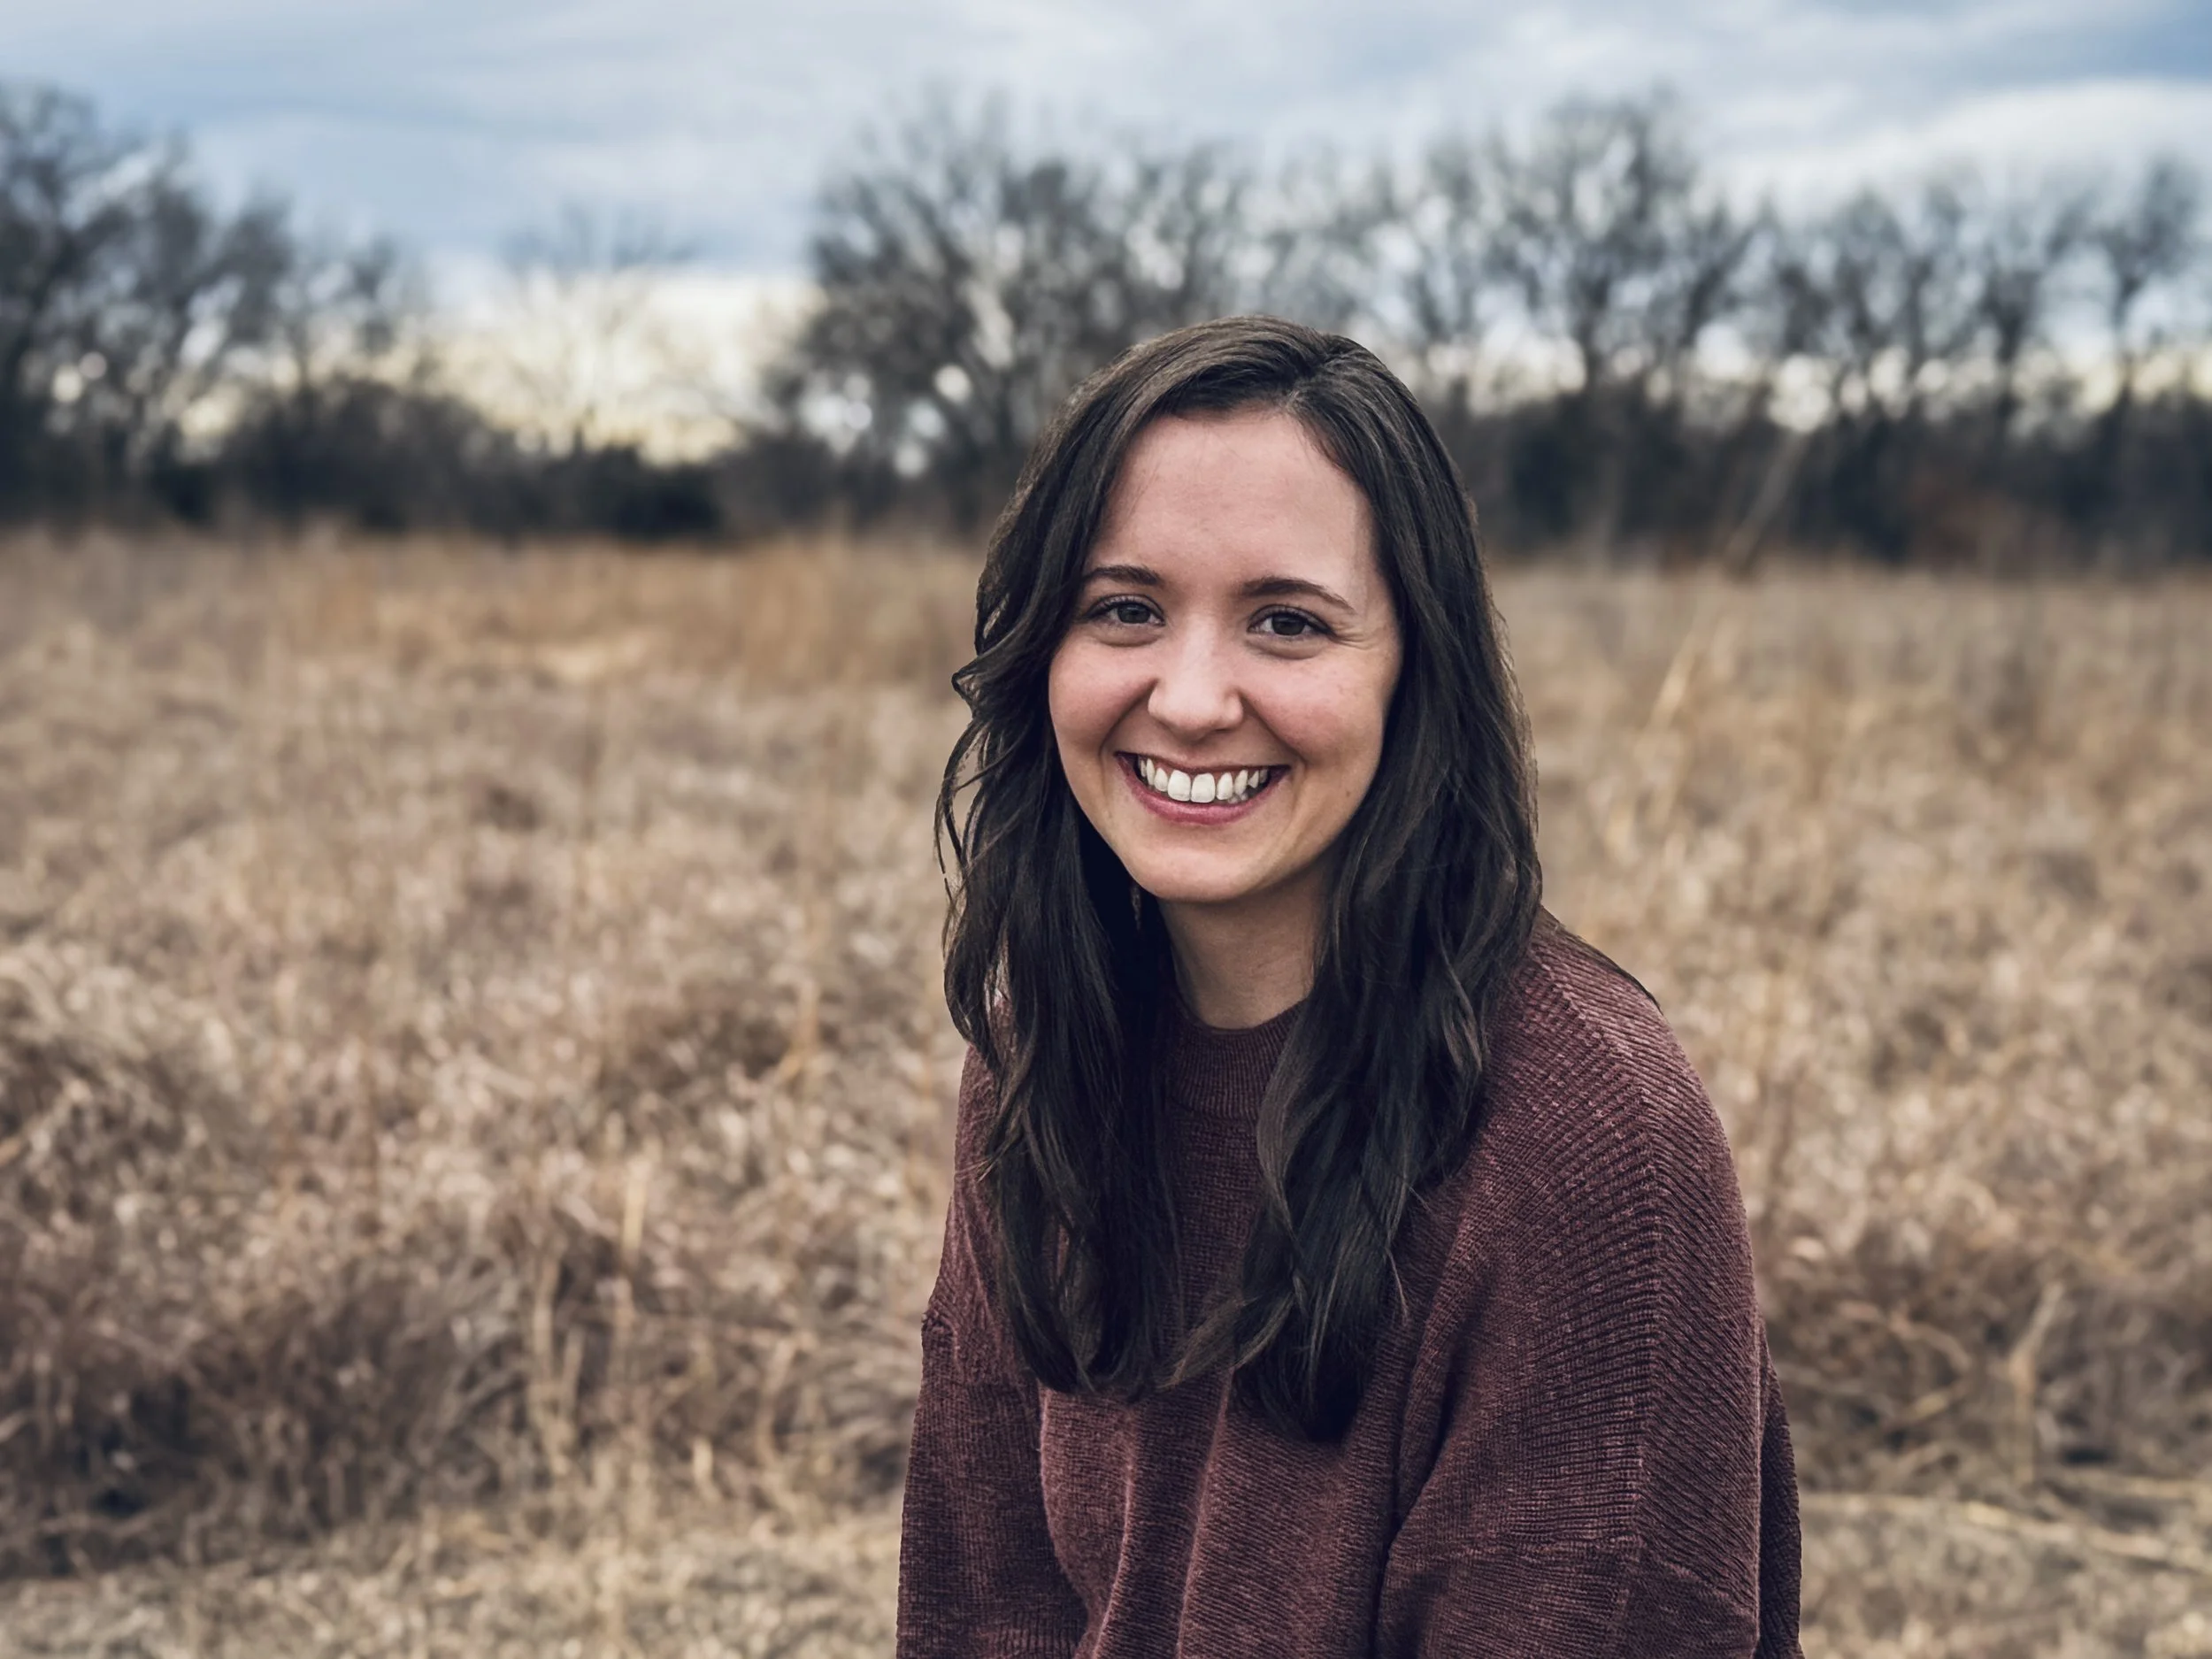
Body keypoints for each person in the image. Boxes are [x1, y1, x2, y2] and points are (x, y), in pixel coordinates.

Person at [898, 315, 1801, 1658]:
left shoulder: (1585, 1141)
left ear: (1411, 672)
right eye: (1126, 608)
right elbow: (983, 1610)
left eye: (1287, 622)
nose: (1193, 697)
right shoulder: (1047, 1048)